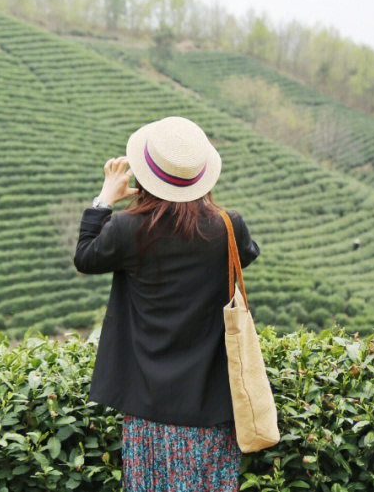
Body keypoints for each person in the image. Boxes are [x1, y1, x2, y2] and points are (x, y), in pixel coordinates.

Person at [74, 116, 261, 491]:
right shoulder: (227, 226)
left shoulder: (129, 229)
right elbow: (248, 254)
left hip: (147, 408)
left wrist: (105, 199)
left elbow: (85, 257)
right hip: (211, 409)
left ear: (145, 175)